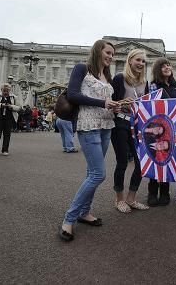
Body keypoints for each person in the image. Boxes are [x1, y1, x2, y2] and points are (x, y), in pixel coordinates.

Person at [59, 39, 118, 242]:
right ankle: (69, 218)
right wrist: (104, 102)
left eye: (112, 54)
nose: (110, 56)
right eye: (107, 52)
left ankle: (85, 212)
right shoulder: (81, 68)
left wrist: (117, 106)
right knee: (98, 174)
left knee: (91, 172)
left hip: (106, 126)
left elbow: (107, 103)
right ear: (97, 51)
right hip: (89, 125)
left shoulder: (106, 75)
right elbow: (73, 95)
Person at [110, 49, 149, 213]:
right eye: (138, 60)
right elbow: (109, 102)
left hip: (137, 125)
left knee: (141, 163)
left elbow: (147, 105)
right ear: (130, 60)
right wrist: (121, 102)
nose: (141, 64)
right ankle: (119, 199)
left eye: (143, 61)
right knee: (122, 162)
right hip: (120, 123)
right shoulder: (119, 78)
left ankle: (131, 198)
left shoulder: (144, 82)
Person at [147, 57, 176, 207]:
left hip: (172, 128)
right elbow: (152, 104)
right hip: (157, 126)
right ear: (158, 69)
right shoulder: (154, 85)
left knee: (168, 158)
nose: (167, 67)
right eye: (163, 66)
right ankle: (152, 192)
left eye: (168, 65)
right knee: (156, 157)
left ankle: (165, 192)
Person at [0, 83, 21, 156]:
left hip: (9, 118)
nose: (5, 92)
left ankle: (5, 150)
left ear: (10, 90)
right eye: (4, 91)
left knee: (7, 135)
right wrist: (0, 105)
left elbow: (19, 107)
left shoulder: (14, 97)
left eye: (7, 91)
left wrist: (11, 106)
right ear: (1, 90)